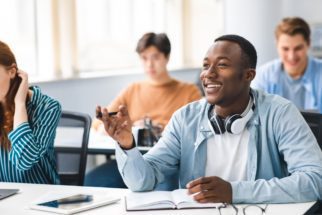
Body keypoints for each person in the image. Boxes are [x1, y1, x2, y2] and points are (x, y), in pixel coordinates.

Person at [97, 34, 322, 203]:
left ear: (248, 75)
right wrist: (126, 145)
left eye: (222, 65)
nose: (208, 74)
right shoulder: (185, 119)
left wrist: (234, 192)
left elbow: (315, 180)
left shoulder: (280, 113)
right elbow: (142, 182)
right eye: (206, 65)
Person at [85, 32, 202, 188]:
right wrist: (124, 129)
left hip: (167, 163)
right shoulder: (133, 89)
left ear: (166, 57)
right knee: (92, 181)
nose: (149, 64)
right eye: (144, 58)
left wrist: (157, 128)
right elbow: (98, 125)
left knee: (160, 192)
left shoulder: (189, 91)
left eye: (155, 57)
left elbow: (196, 130)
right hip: (132, 156)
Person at [0, 40, 61, 184]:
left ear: (12, 72)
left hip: (41, 197)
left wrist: (19, 104)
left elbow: (23, 160)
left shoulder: (48, 107)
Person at [252, 17, 322, 113]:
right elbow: (256, 118)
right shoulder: (264, 76)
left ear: (308, 44)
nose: (291, 56)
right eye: (285, 49)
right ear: (277, 45)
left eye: (298, 48)